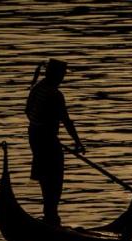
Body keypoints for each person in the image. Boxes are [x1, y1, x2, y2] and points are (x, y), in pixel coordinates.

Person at [26, 59, 85, 226]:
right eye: (63, 74)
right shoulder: (55, 95)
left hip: (35, 136)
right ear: (57, 75)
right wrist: (78, 142)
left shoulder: (37, 88)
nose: (64, 77)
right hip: (47, 140)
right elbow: (65, 120)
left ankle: (49, 215)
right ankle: (51, 216)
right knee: (55, 179)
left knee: (45, 177)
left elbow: (27, 112)